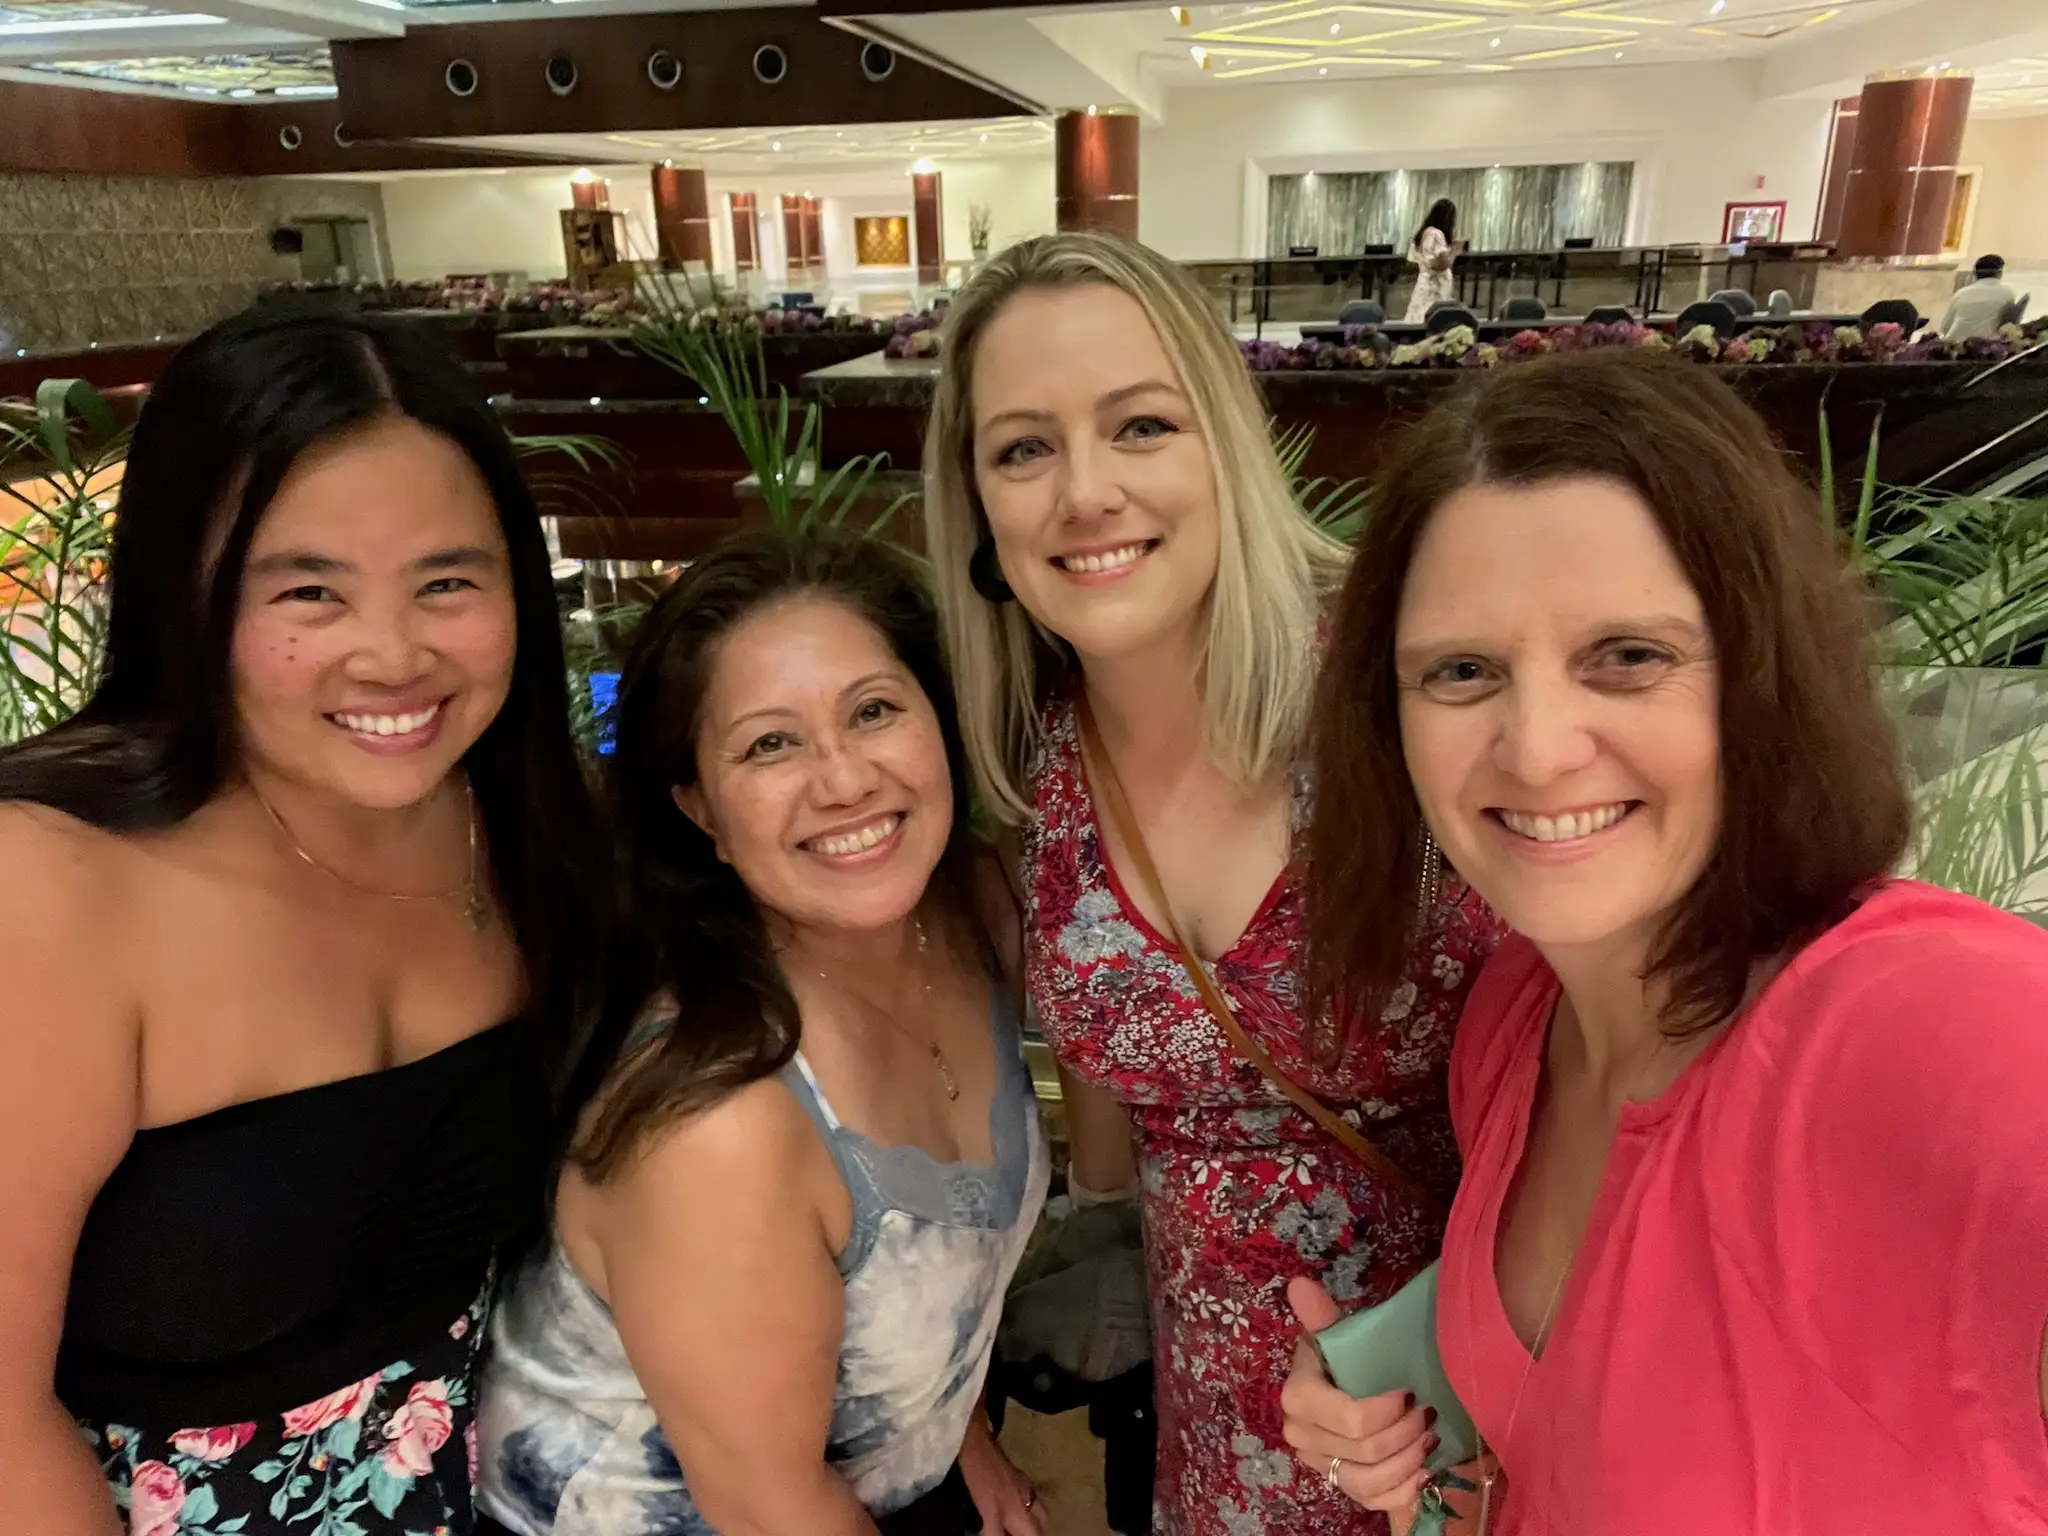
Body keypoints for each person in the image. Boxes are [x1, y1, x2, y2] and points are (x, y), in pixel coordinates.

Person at [1286, 348, 2048, 1533]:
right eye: (1462, 672)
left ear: (1756, 676)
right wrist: (1405, 1422)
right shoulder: (1509, 1020)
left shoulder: (1890, 1019)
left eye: (1627, 657)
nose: (1536, 747)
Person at [921, 230, 1500, 1536]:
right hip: (1218, 1437)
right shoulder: (1023, 763)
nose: (1083, 493)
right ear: (978, 506)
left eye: (1139, 427)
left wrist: (1481, 1339)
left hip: (1474, 1404)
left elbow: (1614, 1052)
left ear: (1221, 448)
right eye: (1023, 448)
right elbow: (1121, 1101)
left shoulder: (1392, 686)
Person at [0, 307, 606, 1534]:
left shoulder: (519, 819)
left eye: (447, 581)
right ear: (189, 593)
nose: (393, 655)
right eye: (308, 591)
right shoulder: (52, 887)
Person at [477, 528, 1050, 1536]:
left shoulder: (963, 912)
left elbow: (889, 1293)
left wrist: (951, 1429)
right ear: (697, 807)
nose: (842, 781)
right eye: (769, 744)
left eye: (873, 710)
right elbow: (768, 1507)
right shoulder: (718, 1122)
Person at [1402, 200, 1460, 324]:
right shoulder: (1436, 234)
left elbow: (1412, 260)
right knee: (1433, 319)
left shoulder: (1424, 232)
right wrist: (1455, 251)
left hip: (1424, 282)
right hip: (1435, 287)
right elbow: (1441, 265)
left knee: (1417, 317)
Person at [1940, 253, 2019, 340]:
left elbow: (1945, 328)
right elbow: (2009, 327)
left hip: (1954, 347)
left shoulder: (1961, 294)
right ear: (2000, 273)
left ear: (1974, 273)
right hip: (1988, 348)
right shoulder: (2008, 293)